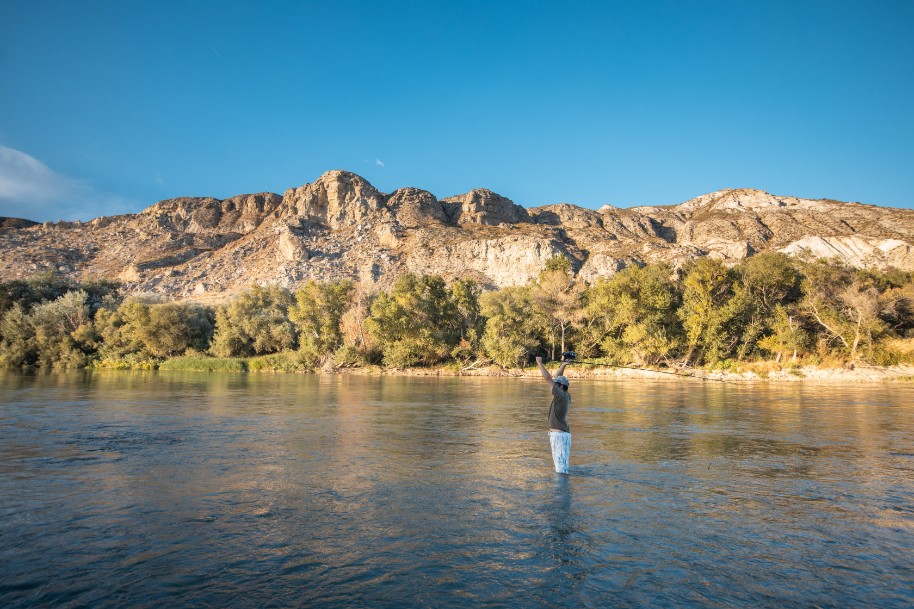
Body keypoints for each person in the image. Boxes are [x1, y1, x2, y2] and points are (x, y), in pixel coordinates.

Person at [535, 354, 572, 474]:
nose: (554, 385)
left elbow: (548, 378)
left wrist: (539, 363)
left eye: (556, 384)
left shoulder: (560, 395)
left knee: (561, 470)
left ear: (561, 386)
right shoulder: (565, 395)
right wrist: (564, 364)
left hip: (559, 437)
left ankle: (562, 492)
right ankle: (562, 490)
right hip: (560, 435)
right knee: (561, 467)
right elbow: (558, 376)